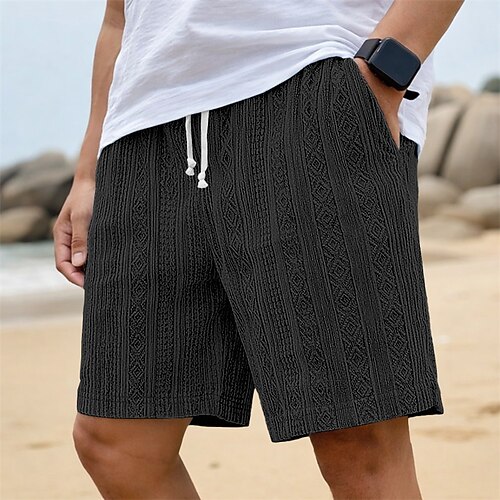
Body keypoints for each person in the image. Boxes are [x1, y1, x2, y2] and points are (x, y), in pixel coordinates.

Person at [53, 0, 463, 497]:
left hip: (307, 81)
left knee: (358, 438)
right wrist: (89, 170)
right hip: (140, 131)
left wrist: (382, 72)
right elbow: (118, 17)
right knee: (115, 441)